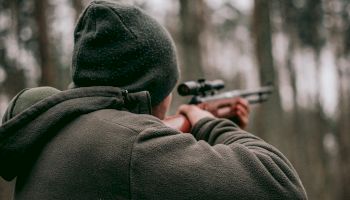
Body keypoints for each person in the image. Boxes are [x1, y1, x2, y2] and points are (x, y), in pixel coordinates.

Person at [0, 0, 307, 199]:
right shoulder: (130, 146)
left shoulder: (54, 131)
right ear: (151, 91)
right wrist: (211, 126)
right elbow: (281, 187)